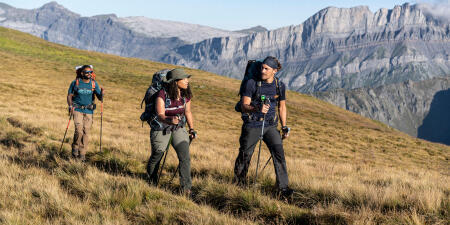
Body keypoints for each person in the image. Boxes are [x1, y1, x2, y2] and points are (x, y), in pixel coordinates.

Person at [233, 56, 293, 197]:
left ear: (275, 71)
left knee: (279, 154)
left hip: (271, 125)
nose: (263, 70)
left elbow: (282, 107)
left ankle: (283, 189)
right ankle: (239, 184)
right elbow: (243, 105)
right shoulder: (252, 83)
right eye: (262, 67)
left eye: (267, 68)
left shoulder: (279, 85)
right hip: (253, 124)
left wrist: (284, 126)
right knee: (245, 155)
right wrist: (256, 108)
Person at [146, 68, 196, 193]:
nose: (187, 81)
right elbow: (160, 114)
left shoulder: (185, 94)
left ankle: (186, 189)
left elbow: (188, 112)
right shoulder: (162, 94)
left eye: (187, 78)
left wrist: (191, 128)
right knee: (158, 153)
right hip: (161, 127)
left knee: (185, 156)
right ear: (175, 81)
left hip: (178, 127)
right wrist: (170, 120)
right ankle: (151, 180)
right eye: (183, 79)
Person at [67, 65, 104, 161]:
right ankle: (75, 148)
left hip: (89, 111)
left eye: (91, 72)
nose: (89, 74)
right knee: (79, 130)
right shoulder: (76, 83)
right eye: (87, 72)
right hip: (77, 109)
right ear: (82, 73)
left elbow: (100, 98)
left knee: (86, 132)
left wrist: (102, 94)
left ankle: (82, 154)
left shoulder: (93, 84)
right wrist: (70, 106)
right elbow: (69, 95)